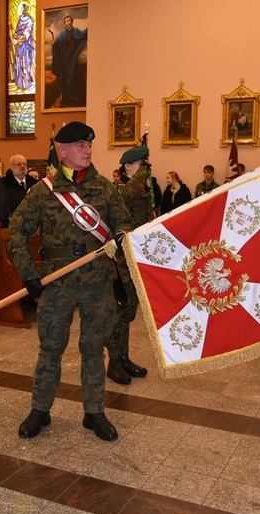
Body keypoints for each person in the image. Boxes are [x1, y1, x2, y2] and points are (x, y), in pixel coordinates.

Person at [9, 121, 132, 442]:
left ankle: (94, 412)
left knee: (93, 349)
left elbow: (123, 226)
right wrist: (29, 274)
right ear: (62, 151)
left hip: (97, 282)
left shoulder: (105, 188)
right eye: (80, 145)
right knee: (50, 348)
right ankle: (40, 410)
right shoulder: (43, 191)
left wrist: (120, 237)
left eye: (89, 144)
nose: (88, 149)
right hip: (57, 282)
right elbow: (17, 232)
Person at [105, 145, 153, 385]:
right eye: (141, 166)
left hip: (135, 258)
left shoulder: (142, 190)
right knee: (119, 310)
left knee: (129, 310)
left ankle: (124, 357)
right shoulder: (121, 189)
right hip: (120, 261)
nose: (145, 171)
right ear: (128, 166)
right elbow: (126, 199)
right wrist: (142, 175)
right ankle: (114, 363)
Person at [51, 15, 88, 107]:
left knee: (74, 75)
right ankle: (66, 97)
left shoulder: (76, 31)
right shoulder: (63, 33)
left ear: (71, 21)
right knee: (66, 76)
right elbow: (58, 42)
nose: (67, 22)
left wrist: (88, 30)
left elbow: (82, 35)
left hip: (73, 57)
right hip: (65, 58)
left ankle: (75, 97)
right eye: (66, 21)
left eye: (69, 21)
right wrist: (54, 43)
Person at [11, 2, 35, 90]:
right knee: (18, 63)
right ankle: (19, 83)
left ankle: (26, 83)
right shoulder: (20, 18)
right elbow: (17, 30)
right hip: (19, 46)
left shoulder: (29, 20)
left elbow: (27, 33)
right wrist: (14, 36)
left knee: (25, 63)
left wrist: (18, 40)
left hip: (25, 46)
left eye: (21, 8)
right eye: (19, 8)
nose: (19, 10)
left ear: (24, 9)